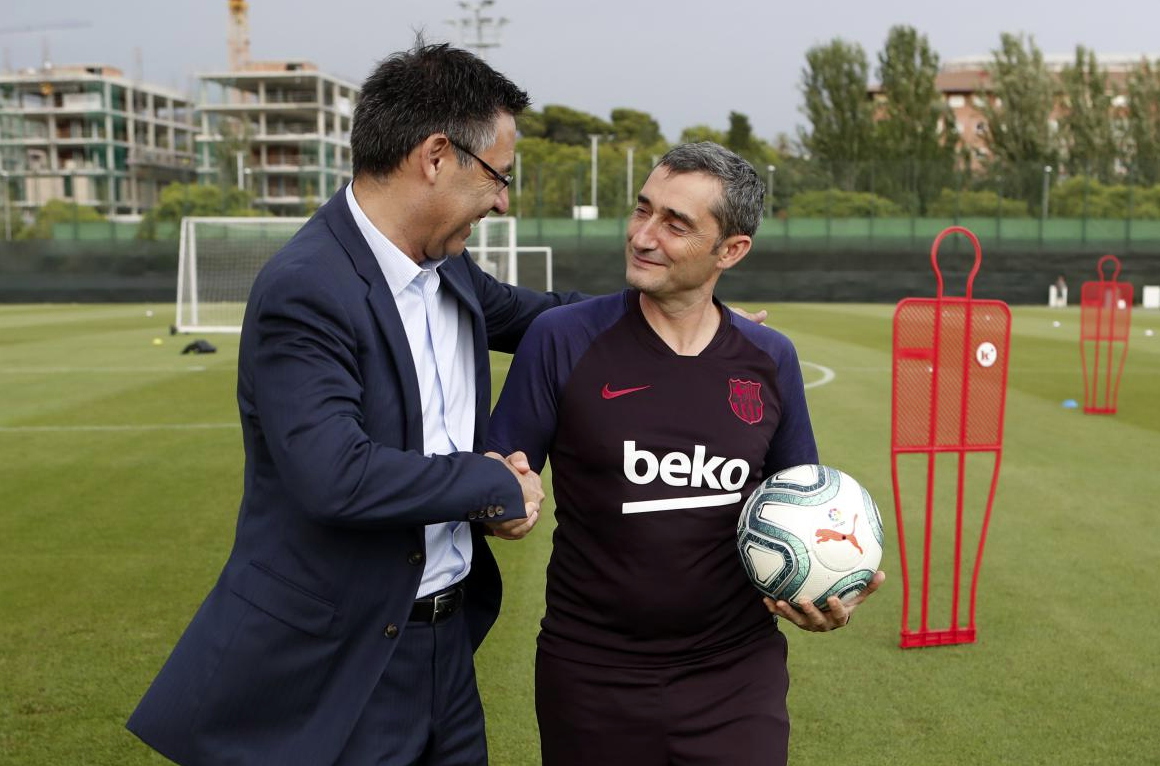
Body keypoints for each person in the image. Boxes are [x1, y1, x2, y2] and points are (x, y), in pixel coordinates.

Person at [126, 41, 585, 766]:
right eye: (499, 176)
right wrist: (494, 484)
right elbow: (335, 474)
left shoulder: (451, 269)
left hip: (448, 649)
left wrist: (674, 316)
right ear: (436, 156)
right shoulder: (307, 286)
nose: (502, 200)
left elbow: (555, 319)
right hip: (346, 667)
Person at [487, 142, 886, 766]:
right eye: (642, 210)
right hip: (591, 673)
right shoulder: (561, 339)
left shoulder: (769, 359)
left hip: (735, 676)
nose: (645, 236)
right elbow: (497, 482)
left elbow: (802, 505)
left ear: (731, 250)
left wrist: (825, 588)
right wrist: (502, 504)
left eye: (676, 224)